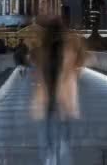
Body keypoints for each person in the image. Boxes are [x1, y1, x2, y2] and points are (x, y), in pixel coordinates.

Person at [30, 18, 87, 164]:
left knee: (50, 121)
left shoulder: (45, 48)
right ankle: (59, 145)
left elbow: (35, 64)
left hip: (54, 89)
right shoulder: (61, 46)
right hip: (54, 89)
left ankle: (52, 149)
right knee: (60, 119)